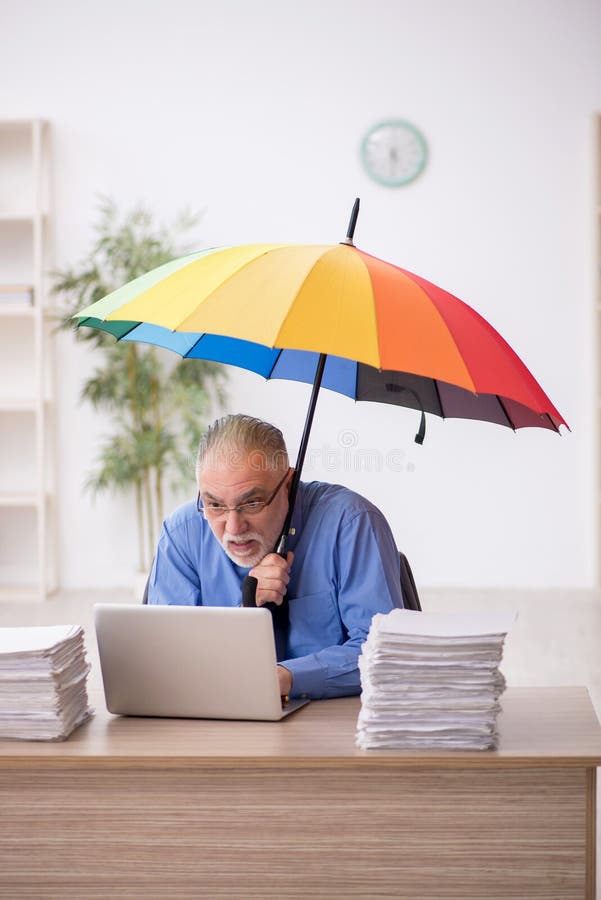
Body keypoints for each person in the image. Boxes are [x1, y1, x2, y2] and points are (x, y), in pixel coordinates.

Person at [147, 414, 403, 699]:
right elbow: (167, 656)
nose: (233, 528)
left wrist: (286, 678)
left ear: (288, 485)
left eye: (252, 502)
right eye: (214, 505)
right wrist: (246, 607)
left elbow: (384, 650)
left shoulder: (352, 523)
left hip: (332, 726)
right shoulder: (182, 533)